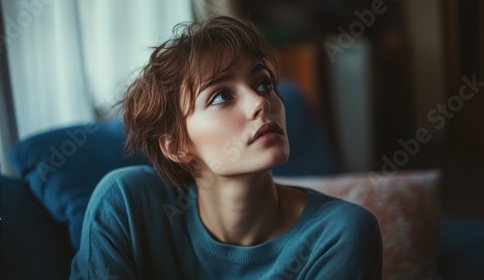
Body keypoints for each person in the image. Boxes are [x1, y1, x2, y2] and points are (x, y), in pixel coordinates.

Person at [70, 15, 382, 280]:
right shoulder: (125, 205)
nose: (261, 102)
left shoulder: (339, 234)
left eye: (262, 84)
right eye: (221, 96)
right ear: (176, 145)